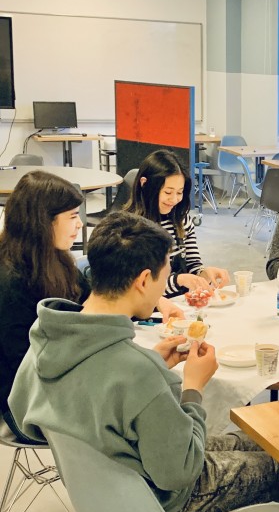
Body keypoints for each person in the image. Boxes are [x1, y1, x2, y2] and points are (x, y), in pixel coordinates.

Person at [8, 211, 279, 512]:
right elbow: (179, 472)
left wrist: (150, 366)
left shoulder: (48, 335)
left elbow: (24, 410)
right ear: (143, 280)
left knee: (268, 440)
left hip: (102, 494)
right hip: (157, 505)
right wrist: (193, 388)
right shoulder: (135, 371)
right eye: (162, 278)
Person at [0, 172, 183, 439]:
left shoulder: (54, 260)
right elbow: (28, 369)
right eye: (72, 216)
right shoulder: (11, 281)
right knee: (144, 406)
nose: (80, 224)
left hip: (62, 379)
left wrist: (156, 301)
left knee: (143, 390)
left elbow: (99, 299)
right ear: (42, 221)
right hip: (28, 403)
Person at [127, 149, 230, 297]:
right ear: (144, 184)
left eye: (180, 192)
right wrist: (178, 280)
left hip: (180, 301)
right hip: (148, 306)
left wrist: (203, 274)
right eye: (168, 192)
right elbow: (137, 288)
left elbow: (192, 264)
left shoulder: (181, 220)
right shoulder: (130, 228)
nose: (174, 199)